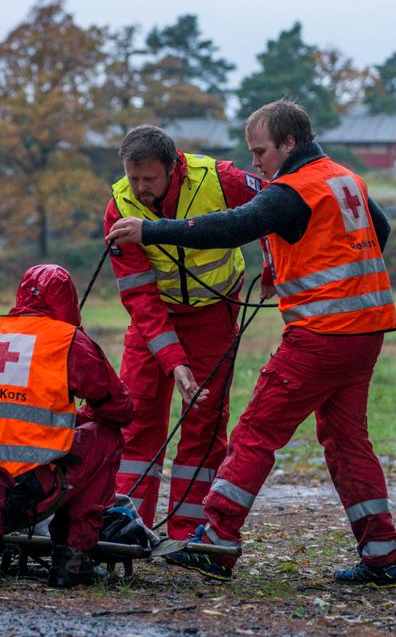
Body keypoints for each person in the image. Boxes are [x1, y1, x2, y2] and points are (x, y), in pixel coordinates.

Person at [106, 99, 396, 587]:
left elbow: (233, 227)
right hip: (365, 331)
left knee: (253, 434)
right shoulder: (344, 177)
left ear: (290, 144)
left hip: (321, 334)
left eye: (261, 150)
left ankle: (217, 539)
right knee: (347, 443)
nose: (255, 162)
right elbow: (381, 229)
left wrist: (151, 230)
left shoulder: (292, 189)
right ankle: (382, 554)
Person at [103, 125, 263, 540]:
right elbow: (139, 297)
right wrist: (174, 362)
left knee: (204, 422)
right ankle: (125, 527)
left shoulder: (220, 179)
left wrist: (274, 260)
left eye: (149, 179)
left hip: (215, 313)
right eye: (132, 177)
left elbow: (278, 206)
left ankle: (188, 531)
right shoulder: (120, 206)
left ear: (174, 167)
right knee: (134, 417)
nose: (139, 188)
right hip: (153, 318)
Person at [0, 264, 132, 588]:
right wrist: (75, 420)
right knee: (107, 437)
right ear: (68, 302)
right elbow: (120, 411)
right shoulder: (68, 343)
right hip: (24, 494)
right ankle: (73, 559)